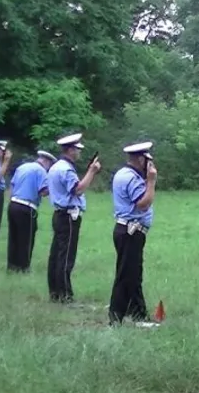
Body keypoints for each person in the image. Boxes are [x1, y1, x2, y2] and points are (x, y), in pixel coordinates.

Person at [47, 133, 102, 304]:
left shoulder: (56, 166)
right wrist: (92, 172)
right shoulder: (66, 169)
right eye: (77, 149)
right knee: (66, 256)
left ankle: (55, 292)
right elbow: (77, 189)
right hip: (69, 216)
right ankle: (65, 295)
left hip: (59, 214)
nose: (79, 153)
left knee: (56, 254)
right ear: (70, 150)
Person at [108, 141, 158, 328]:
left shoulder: (123, 174)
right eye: (147, 160)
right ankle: (115, 317)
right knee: (126, 275)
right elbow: (143, 203)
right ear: (140, 159)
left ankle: (138, 314)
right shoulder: (131, 178)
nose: (150, 165)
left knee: (133, 274)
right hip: (131, 231)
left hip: (128, 230)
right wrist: (151, 181)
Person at [6, 150, 55, 273]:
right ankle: (23, 267)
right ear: (46, 161)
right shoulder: (41, 171)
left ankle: (11, 265)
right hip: (26, 207)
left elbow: (12, 186)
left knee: (13, 237)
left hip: (13, 204)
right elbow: (43, 191)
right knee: (26, 239)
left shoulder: (22, 167)